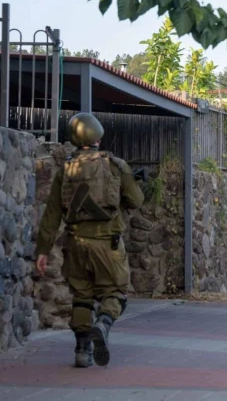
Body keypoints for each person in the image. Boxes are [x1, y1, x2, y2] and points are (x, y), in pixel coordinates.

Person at [35, 113, 145, 368]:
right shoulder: (116, 165)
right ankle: (103, 324)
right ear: (99, 135)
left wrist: (43, 251)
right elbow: (136, 201)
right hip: (109, 245)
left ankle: (82, 350)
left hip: (75, 245)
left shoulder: (67, 169)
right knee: (116, 292)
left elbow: (52, 213)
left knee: (82, 296)